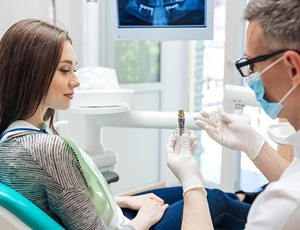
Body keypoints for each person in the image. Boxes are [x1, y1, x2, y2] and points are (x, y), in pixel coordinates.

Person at [0, 18, 253, 230]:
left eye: (74, 69)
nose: (76, 81)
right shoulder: (46, 149)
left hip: (112, 217)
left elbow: (66, 199)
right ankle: (274, 212)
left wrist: (125, 200)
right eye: (65, 71)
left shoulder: (13, 137)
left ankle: (252, 198)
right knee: (217, 202)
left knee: (213, 195)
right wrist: (142, 219)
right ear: (32, 72)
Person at [167, 0, 300, 229]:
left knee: (217, 201)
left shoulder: (285, 206)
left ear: (292, 68)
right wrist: (254, 144)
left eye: (253, 64)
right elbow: (293, 176)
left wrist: (192, 185)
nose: (249, 76)